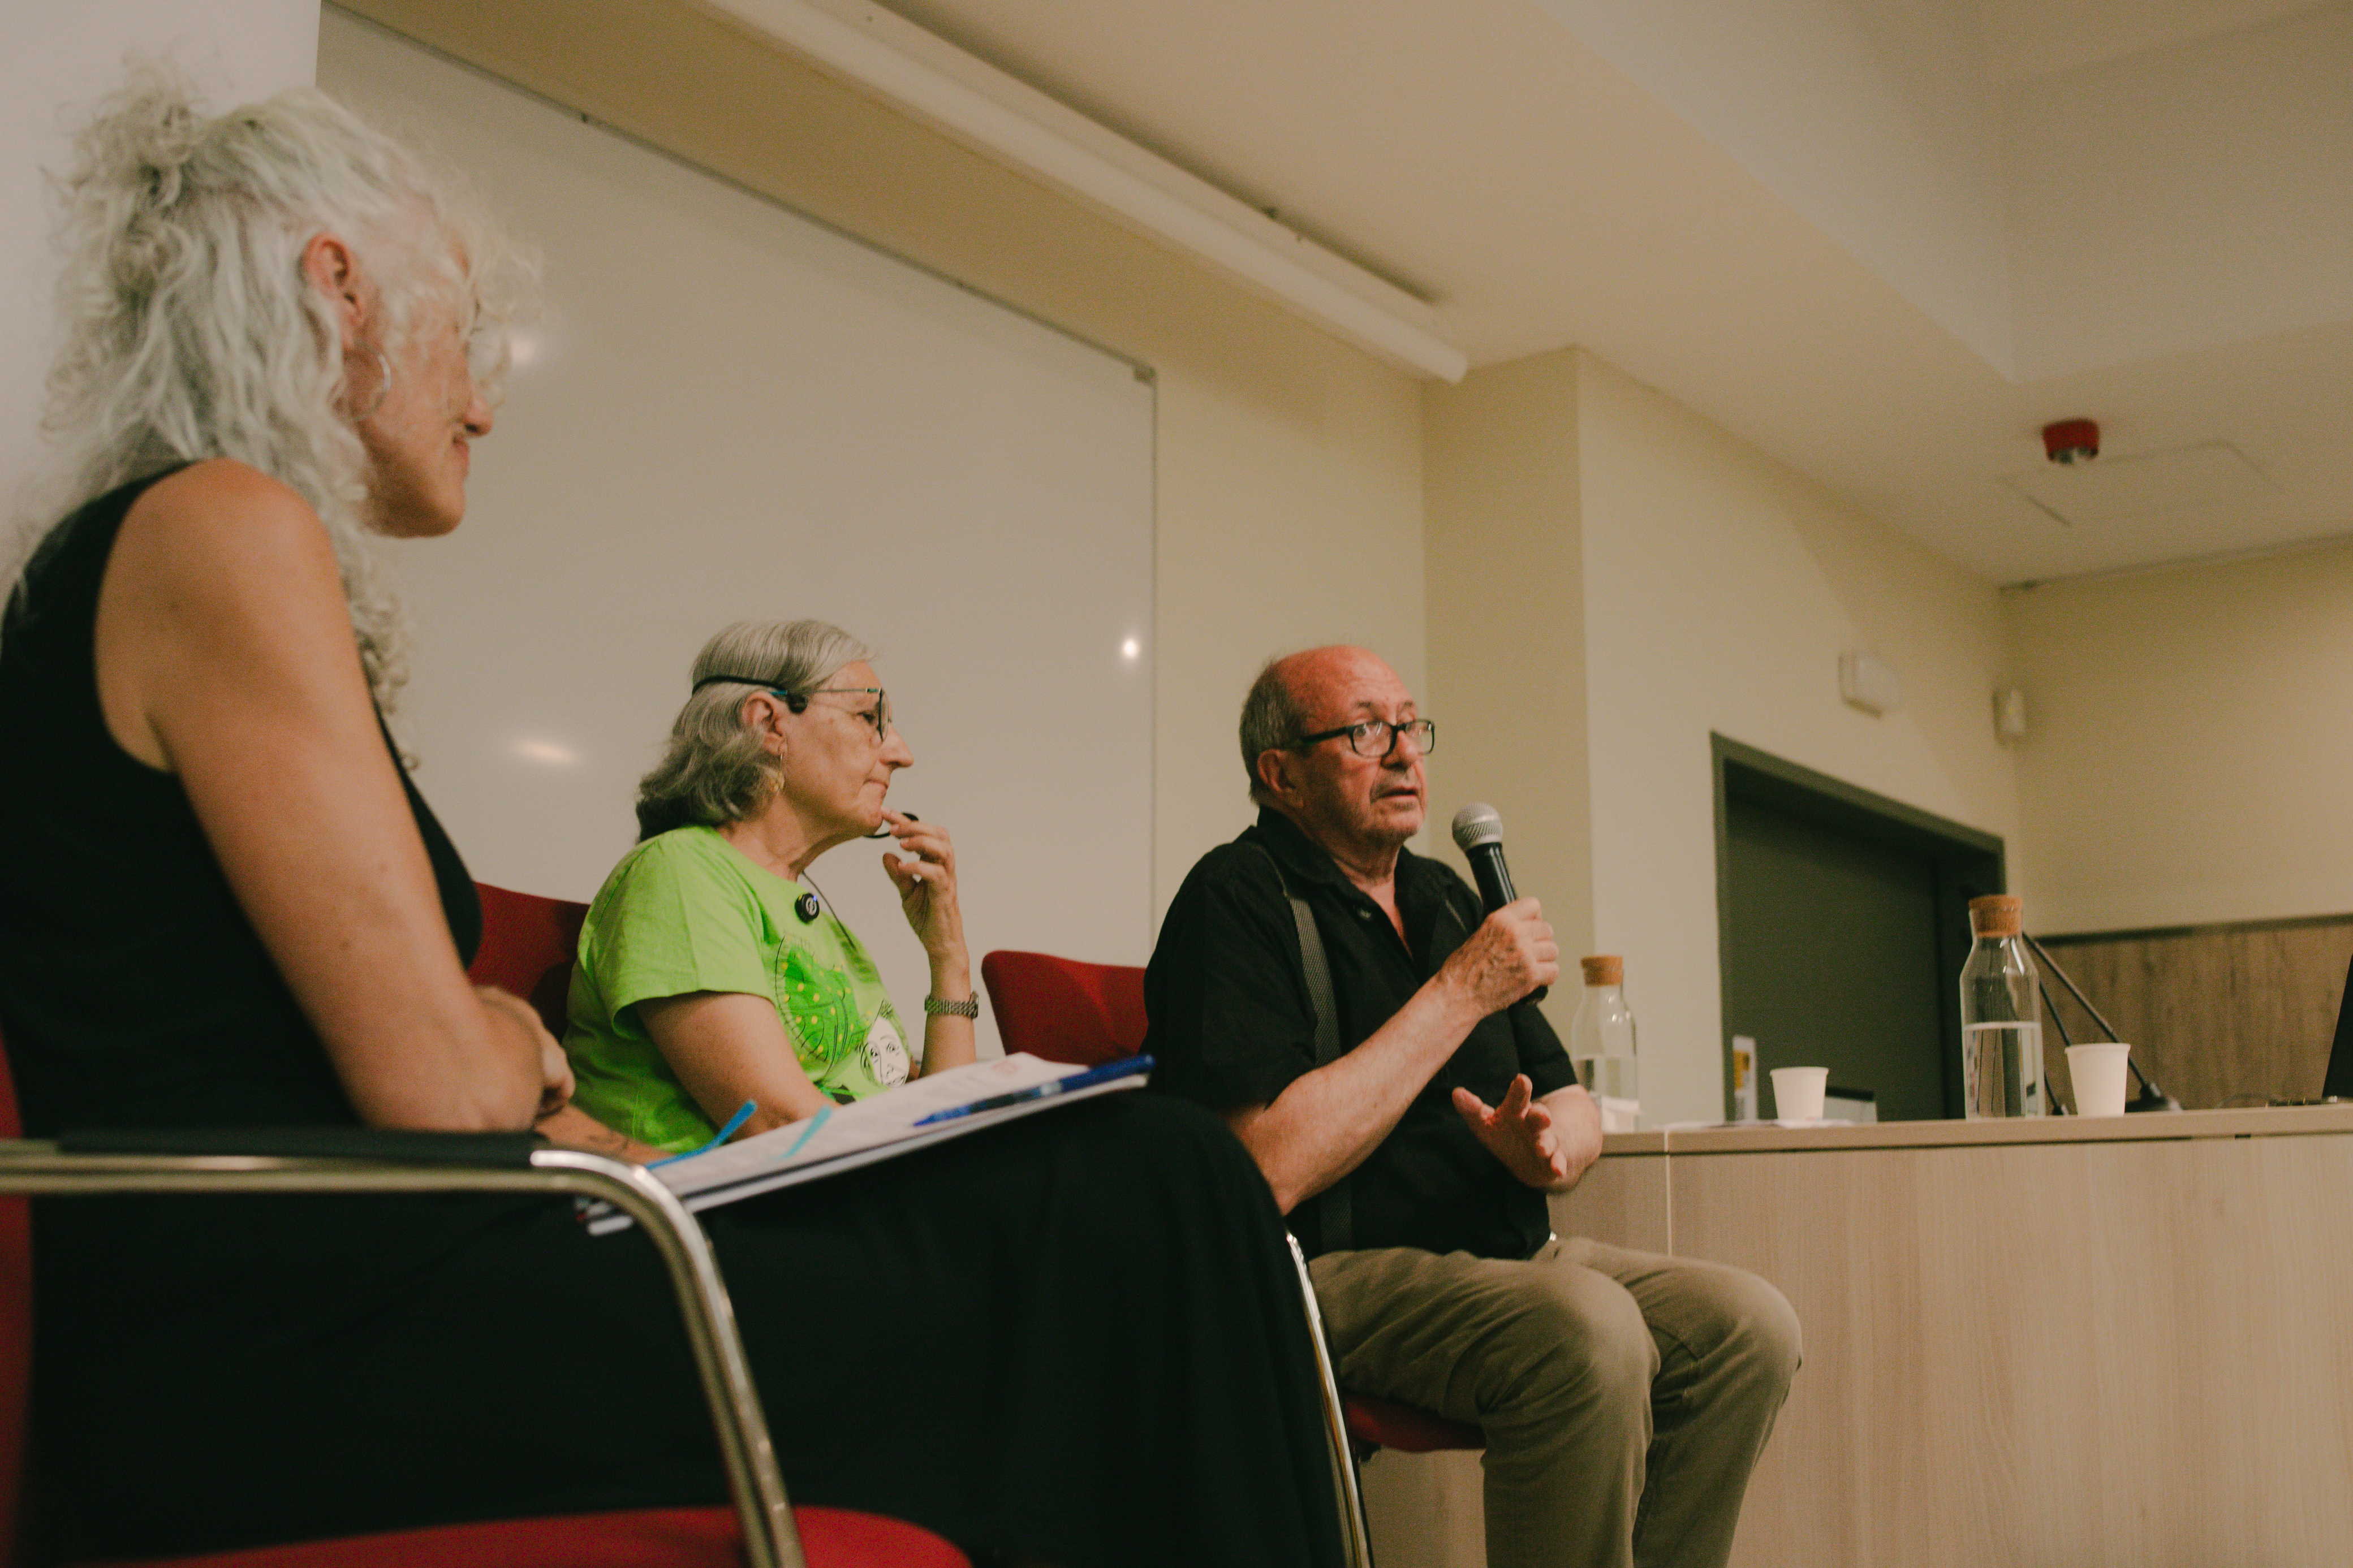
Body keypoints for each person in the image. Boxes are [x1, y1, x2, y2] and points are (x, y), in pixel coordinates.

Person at [0, 75, 1342, 1568]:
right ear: (337, 287)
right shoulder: (217, 524)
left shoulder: (155, 547)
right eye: (464, 334)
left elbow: (343, 1059)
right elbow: (438, 1088)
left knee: (1146, 1180)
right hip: (305, 1360)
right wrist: (500, 1039)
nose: (485, 400)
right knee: (1148, 1194)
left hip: (387, 1294)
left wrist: (521, 1071)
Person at [1144, 644, 1803, 1568]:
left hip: (1512, 1252)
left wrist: (1552, 1149)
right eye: (1365, 731)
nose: (1404, 753)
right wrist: (1459, 991)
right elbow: (1265, 1166)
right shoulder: (1238, 895)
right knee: (1589, 1327)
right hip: (1327, 1267)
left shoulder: (1446, 894)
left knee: (1748, 1325)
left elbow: (1572, 1100)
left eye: (1410, 726)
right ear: (1280, 773)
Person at [562, 619, 975, 1154]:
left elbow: (949, 1120)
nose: (901, 752)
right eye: (868, 718)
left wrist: (948, 957)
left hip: (859, 1186)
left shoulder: (817, 920)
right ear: (768, 723)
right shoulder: (680, 873)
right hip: (740, 1201)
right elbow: (782, 1124)